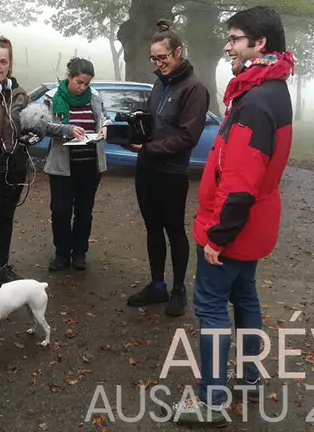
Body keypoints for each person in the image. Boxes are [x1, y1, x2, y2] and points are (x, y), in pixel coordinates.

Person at [167, 6, 295, 426]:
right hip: (255, 222)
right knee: (245, 296)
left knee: (210, 305)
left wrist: (217, 238)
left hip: (234, 226)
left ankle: (212, 401)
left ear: (260, 44)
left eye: (236, 38)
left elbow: (240, 183)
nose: (228, 45)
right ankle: (250, 375)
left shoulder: (256, 102)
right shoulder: (271, 89)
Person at [0, 36, 84, 310]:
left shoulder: (19, 94)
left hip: (15, 169)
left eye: (4, 61)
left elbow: (36, 125)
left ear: (10, 65)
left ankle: (2, 267)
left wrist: (59, 131)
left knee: (6, 221)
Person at [124, 20, 210, 317]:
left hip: (172, 173)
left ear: (178, 52)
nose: (159, 64)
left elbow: (188, 137)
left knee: (174, 231)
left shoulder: (195, 89)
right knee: (152, 229)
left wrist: (148, 147)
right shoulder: (160, 83)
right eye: (154, 58)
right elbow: (152, 119)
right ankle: (157, 285)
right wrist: (136, 126)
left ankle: (178, 290)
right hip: (146, 168)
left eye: (163, 57)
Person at [43, 57, 112, 271]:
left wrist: (105, 127)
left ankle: (79, 252)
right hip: (62, 167)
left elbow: (105, 117)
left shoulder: (95, 98)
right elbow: (42, 125)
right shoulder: (53, 98)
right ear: (69, 77)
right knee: (61, 211)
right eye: (79, 82)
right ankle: (62, 253)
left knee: (84, 211)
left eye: (87, 84)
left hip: (89, 166)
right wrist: (66, 129)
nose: (83, 88)